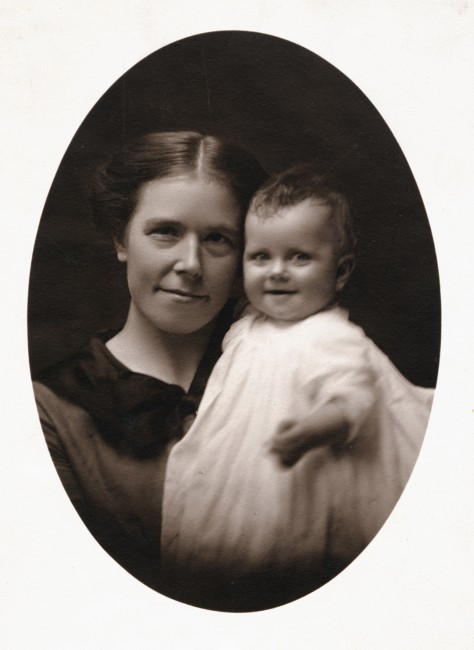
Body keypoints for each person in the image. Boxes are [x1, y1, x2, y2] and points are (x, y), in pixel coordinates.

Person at [161, 165, 434, 610]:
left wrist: (319, 427)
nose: (277, 272)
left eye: (300, 258)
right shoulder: (249, 321)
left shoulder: (331, 336)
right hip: (240, 458)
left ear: (340, 272)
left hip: (298, 471)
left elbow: (355, 395)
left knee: (282, 552)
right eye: (261, 257)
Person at [32, 130, 267, 598]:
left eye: (219, 239)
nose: (191, 263)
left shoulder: (277, 372)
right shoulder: (50, 409)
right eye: (166, 232)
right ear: (122, 238)